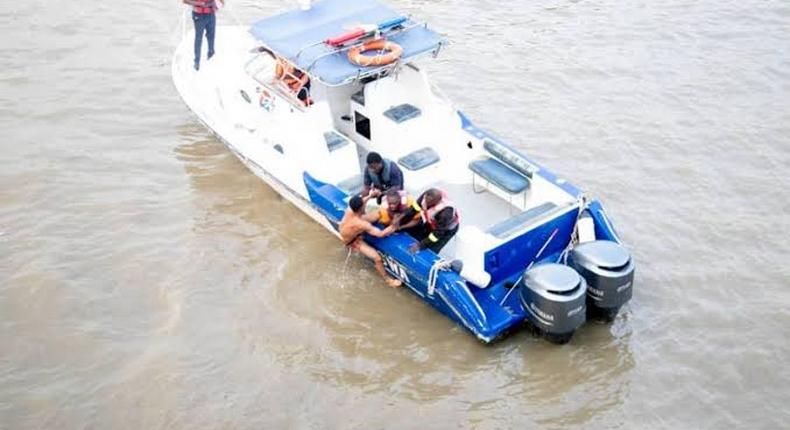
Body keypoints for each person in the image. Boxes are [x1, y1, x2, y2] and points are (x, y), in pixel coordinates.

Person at [339, 195, 403, 288]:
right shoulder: (361, 224)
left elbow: (362, 201)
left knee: (377, 214)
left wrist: (370, 196)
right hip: (353, 241)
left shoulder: (350, 209)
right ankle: (387, 280)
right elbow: (380, 234)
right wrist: (394, 226)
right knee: (377, 258)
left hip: (346, 229)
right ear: (361, 208)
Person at [407, 188, 460, 254]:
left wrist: (420, 245)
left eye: (429, 204)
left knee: (431, 250)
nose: (425, 204)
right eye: (425, 201)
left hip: (445, 229)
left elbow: (437, 234)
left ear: (436, 202)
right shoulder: (428, 194)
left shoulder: (445, 214)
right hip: (431, 220)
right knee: (418, 235)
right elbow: (414, 209)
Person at [183, 0, 223, 71]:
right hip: (199, 15)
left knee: (211, 36)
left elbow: (222, 2)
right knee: (198, 38)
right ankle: (197, 61)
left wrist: (219, 5)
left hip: (211, 14)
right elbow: (185, 1)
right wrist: (199, 3)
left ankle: (211, 56)